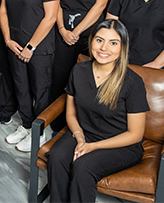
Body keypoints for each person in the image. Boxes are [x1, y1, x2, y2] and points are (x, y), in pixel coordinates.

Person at [47, 19, 149, 202]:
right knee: (57, 156)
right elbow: (70, 113)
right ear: (91, 40)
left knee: (83, 165)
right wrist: (80, 137)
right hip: (85, 133)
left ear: (122, 47)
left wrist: (92, 146)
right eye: (99, 40)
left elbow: (135, 134)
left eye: (113, 43)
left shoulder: (133, 82)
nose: (104, 48)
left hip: (121, 144)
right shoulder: (78, 70)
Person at [50, 0, 118, 131]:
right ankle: (55, 125)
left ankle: (83, 126)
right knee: (59, 77)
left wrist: (76, 31)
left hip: (89, 34)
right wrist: (62, 29)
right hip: (62, 30)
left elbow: (100, 5)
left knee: (87, 80)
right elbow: (55, 1)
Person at [0, 0, 61, 152]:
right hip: (14, 43)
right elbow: (3, 9)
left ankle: (40, 132)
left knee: (40, 90)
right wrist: (7, 39)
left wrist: (31, 47)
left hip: (39, 47)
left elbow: (51, 17)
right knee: (21, 88)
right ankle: (26, 125)